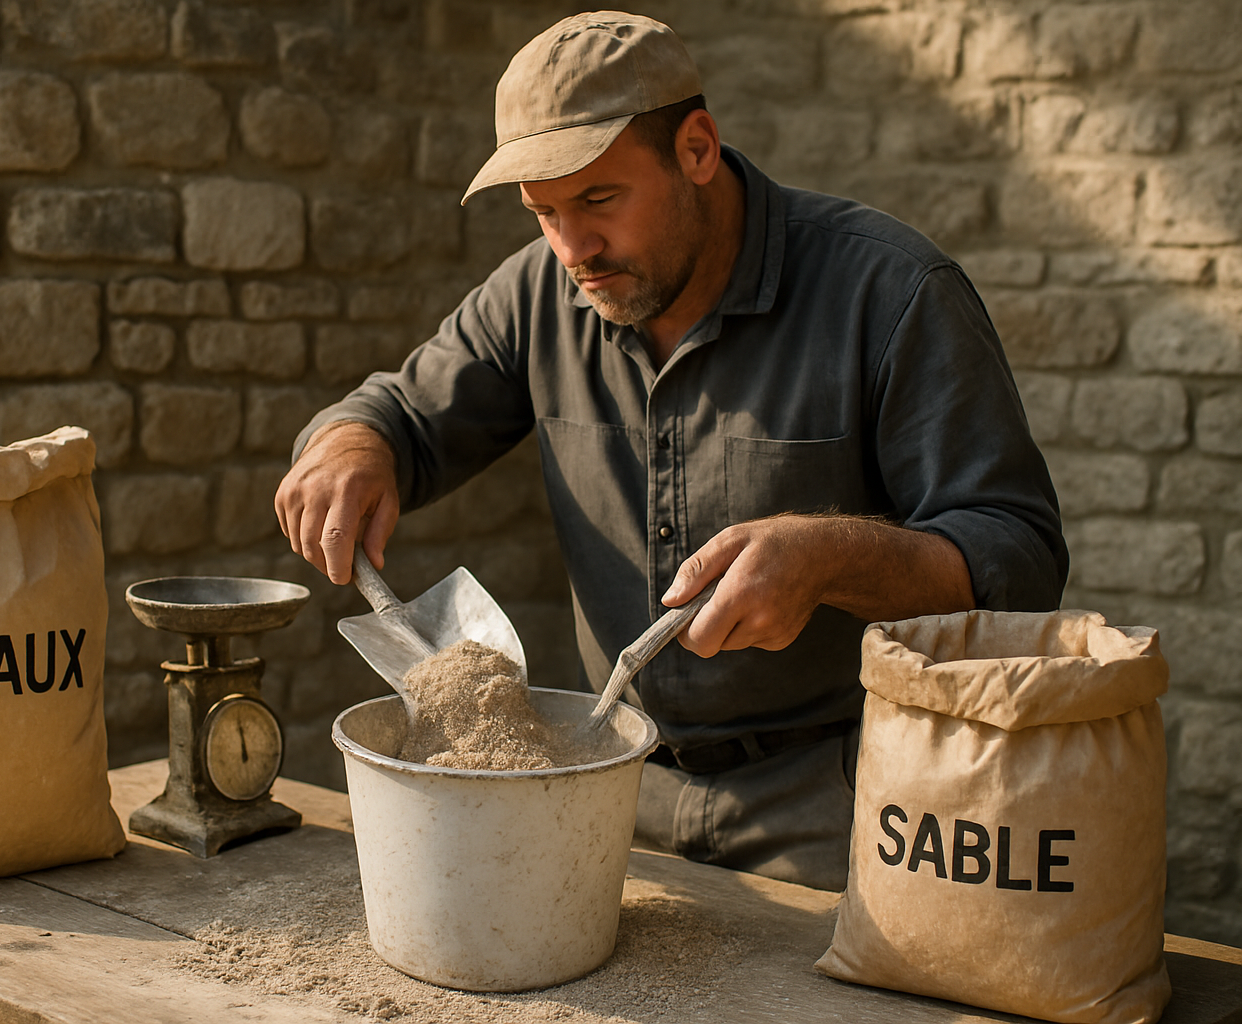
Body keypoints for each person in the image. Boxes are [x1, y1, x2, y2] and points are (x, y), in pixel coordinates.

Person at [274, 11, 1066, 891]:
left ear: (697, 148)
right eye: (544, 214)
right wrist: (352, 440)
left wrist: (830, 556)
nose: (573, 249)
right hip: (611, 786)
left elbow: (1020, 562)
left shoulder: (889, 293)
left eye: (599, 201)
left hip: (848, 796)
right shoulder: (540, 293)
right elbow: (401, 414)